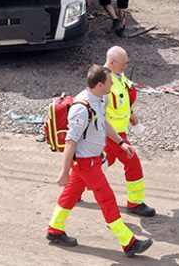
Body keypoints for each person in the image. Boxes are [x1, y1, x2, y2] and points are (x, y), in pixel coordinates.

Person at [46, 64, 153, 257]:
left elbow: (103, 122)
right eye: (110, 81)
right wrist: (63, 172)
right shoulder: (81, 108)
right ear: (100, 84)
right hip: (87, 164)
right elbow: (70, 142)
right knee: (107, 200)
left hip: (90, 162)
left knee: (70, 196)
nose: (113, 83)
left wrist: (121, 143)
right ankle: (128, 242)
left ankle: (54, 229)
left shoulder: (99, 99)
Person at [103, 45, 156, 217]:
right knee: (132, 162)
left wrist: (131, 114)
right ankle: (135, 203)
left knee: (103, 161)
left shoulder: (118, 75)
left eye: (126, 63)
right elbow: (98, 111)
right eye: (123, 64)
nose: (125, 67)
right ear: (111, 62)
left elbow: (123, 98)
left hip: (118, 131)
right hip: (112, 132)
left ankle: (76, 182)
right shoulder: (103, 82)